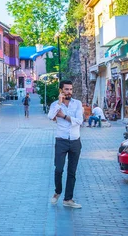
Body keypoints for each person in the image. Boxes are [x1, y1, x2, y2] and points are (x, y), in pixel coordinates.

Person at [47, 80, 83, 209]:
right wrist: (59, 104)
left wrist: (63, 116)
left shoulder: (77, 104)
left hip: (75, 141)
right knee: (59, 169)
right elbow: (50, 117)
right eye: (66, 89)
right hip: (61, 140)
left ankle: (68, 199)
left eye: (71, 89)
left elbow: (79, 121)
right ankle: (57, 191)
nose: (69, 92)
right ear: (61, 90)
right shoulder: (55, 105)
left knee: (72, 172)